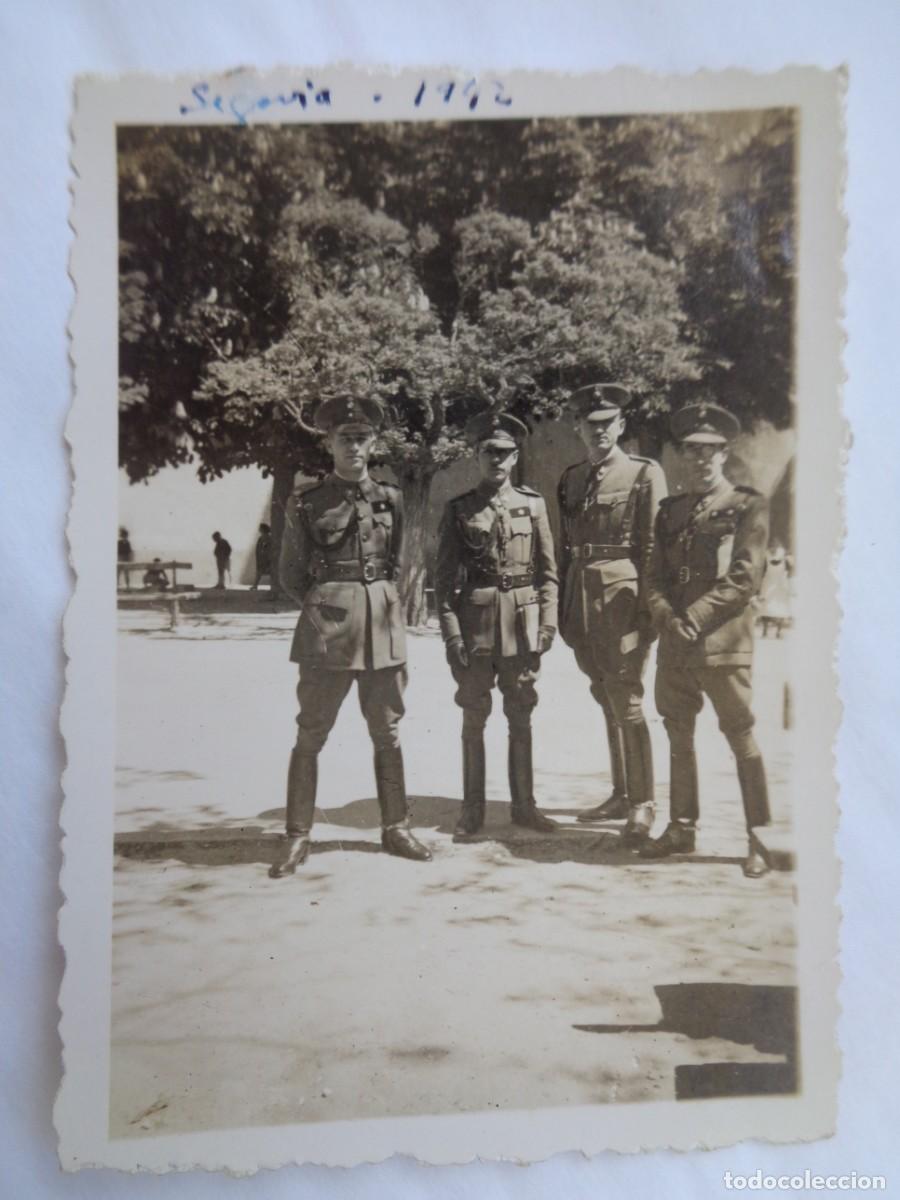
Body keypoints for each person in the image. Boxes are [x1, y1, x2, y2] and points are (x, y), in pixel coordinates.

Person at [268, 394, 432, 877]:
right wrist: (328, 606)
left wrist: (375, 602)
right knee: (312, 732)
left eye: (362, 438)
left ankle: (396, 827)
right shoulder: (308, 501)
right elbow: (290, 575)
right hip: (329, 631)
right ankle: (297, 836)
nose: (354, 447)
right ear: (330, 442)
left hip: (382, 629)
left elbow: (397, 562)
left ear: (373, 442)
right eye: (345, 439)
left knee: (387, 730)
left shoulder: (391, 497)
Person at [639, 401, 772, 878]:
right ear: (680, 454)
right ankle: (681, 827)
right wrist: (663, 615)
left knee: (740, 736)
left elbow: (743, 577)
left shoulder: (746, 505)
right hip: (676, 642)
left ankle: (761, 836)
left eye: (710, 450)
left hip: (722, 644)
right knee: (678, 735)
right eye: (691, 450)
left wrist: (691, 616)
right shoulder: (669, 510)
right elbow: (652, 575)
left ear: (724, 453)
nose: (700, 459)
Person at [434, 410, 559, 838]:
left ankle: (525, 806)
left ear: (516, 455)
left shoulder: (534, 504)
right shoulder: (459, 509)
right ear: (476, 455)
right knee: (474, 718)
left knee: (521, 714)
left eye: (505, 452)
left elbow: (548, 574)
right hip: (476, 629)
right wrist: (452, 636)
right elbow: (443, 583)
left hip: (522, 628)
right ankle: (473, 810)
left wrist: (547, 626)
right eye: (489, 452)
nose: (498, 461)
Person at [556, 383, 667, 846]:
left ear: (621, 425)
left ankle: (643, 804)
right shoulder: (572, 478)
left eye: (607, 423)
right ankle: (621, 792)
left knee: (629, 701)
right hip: (581, 603)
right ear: (579, 428)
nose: (599, 431)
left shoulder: (643, 474)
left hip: (622, 605)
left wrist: (646, 619)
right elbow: (567, 547)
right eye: (590, 424)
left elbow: (652, 548)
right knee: (604, 697)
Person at [251, 523, 272, 590]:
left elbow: (265, 547)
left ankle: (255, 585)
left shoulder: (266, 537)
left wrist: (264, 553)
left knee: (262, 572)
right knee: (259, 572)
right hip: (261, 558)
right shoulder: (262, 538)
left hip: (265, 558)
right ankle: (255, 585)